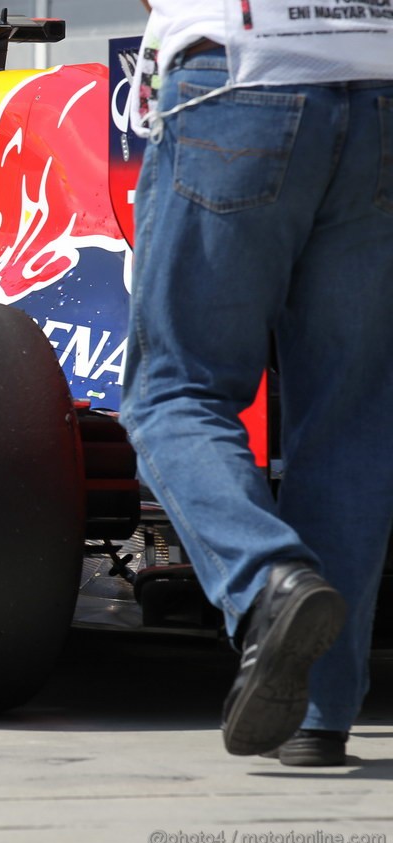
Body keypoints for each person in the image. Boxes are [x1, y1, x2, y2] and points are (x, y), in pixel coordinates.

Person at [121, 0, 393, 766]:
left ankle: (267, 577)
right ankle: (315, 715)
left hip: (241, 68)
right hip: (380, 78)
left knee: (173, 391)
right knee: (351, 418)